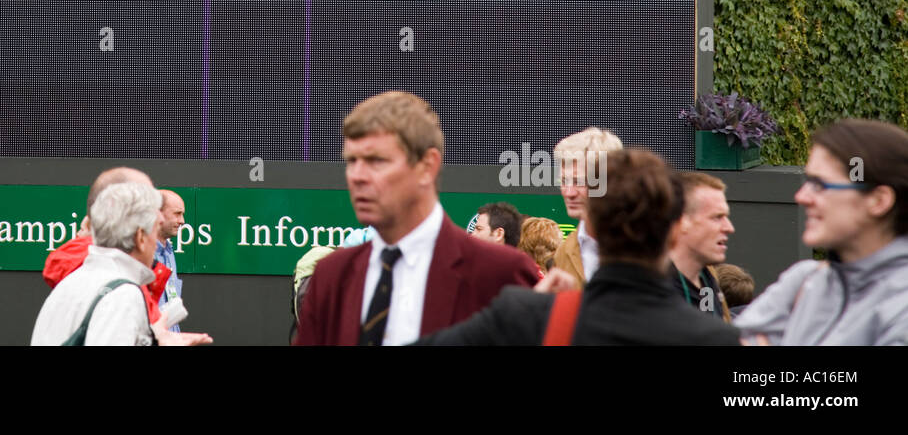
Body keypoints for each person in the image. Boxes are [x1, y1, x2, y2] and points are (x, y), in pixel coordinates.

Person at [415, 149, 742, 346]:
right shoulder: (716, 339)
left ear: (591, 227)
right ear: (674, 234)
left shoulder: (525, 314)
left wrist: (528, 313)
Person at [294, 91, 539, 346]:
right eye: (351, 161)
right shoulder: (330, 277)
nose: (357, 176)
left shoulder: (502, 274)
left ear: (427, 166)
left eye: (376, 161)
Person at [735, 119, 908, 345]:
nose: (801, 197)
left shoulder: (901, 304)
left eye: (820, 184)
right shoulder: (803, 281)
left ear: (878, 200)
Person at [31, 182, 211, 346]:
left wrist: (157, 338)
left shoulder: (81, 281)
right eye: (151, 231)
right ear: (139, 236)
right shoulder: (121, 291)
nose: (182, 221)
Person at [551, 127, 623, 285]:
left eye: (579, 182)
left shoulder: (644, 245)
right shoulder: (564, 252)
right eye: (563, 181)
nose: (569, 193)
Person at [668, 172, 734, 321]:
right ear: (683, 221)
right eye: (717, 217)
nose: (729, 227)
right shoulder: (647, 289)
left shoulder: (707, 278)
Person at [155, 189, 186, 331]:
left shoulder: (169, 252)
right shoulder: (139, 254)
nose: (182, 221)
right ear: (157, 213)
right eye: (177, 214)